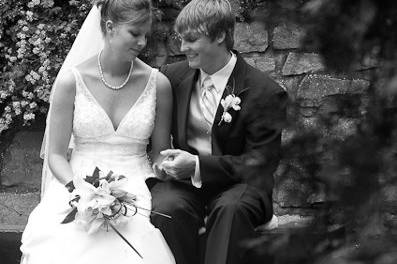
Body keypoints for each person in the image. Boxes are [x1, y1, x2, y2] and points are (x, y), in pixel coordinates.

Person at [20, 1, 175, 264]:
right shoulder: (72, 82)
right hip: (77, 182)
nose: (142, 42)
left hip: (136, 182)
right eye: (135, 33)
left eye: (146, 35)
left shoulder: (158, 84)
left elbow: (159, 154)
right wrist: (78, 191)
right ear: (110, 27)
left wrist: (167, 168)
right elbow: (56, 155)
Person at [148, 0, 288, 264]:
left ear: (220, 35)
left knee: (230, 210)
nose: (182, 48)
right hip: (185, 187)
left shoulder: (264, 92)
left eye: (191, 40)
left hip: (242, 186)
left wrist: (198, 165)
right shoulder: (172, 77)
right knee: (166, 208)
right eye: (181, 39)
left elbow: (260, 163)